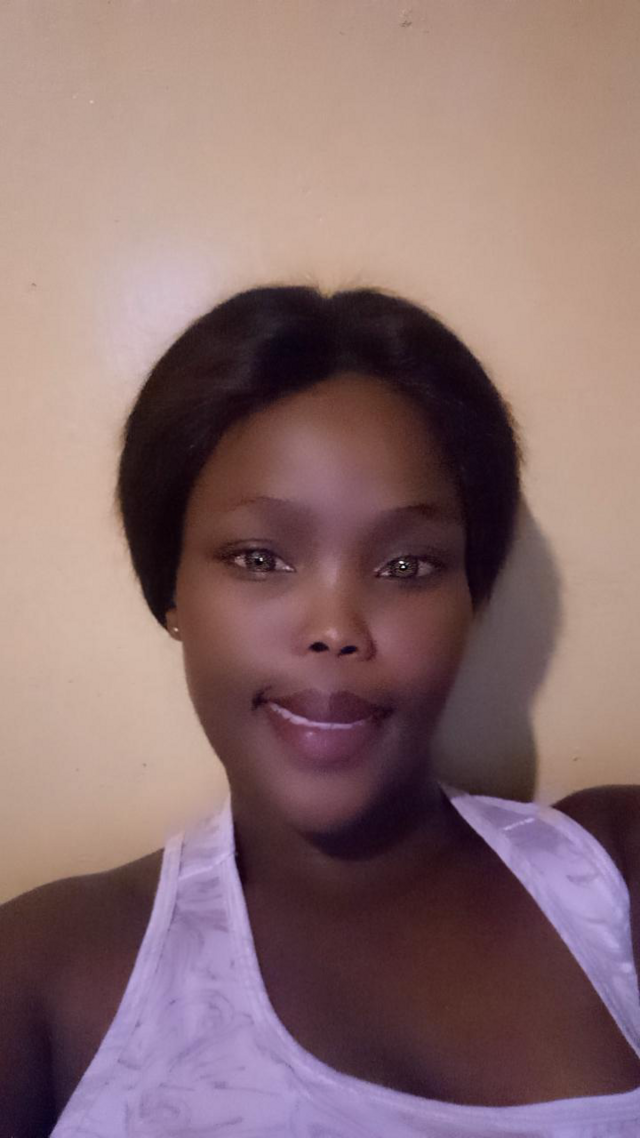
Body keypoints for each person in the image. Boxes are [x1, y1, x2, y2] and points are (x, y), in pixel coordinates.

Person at [1, 285, 639, 1138]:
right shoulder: (42, 970)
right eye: (259, 557)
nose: (336, 628)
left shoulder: (614, 874)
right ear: (172, 592)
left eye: (407, 566)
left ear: (471, 600)